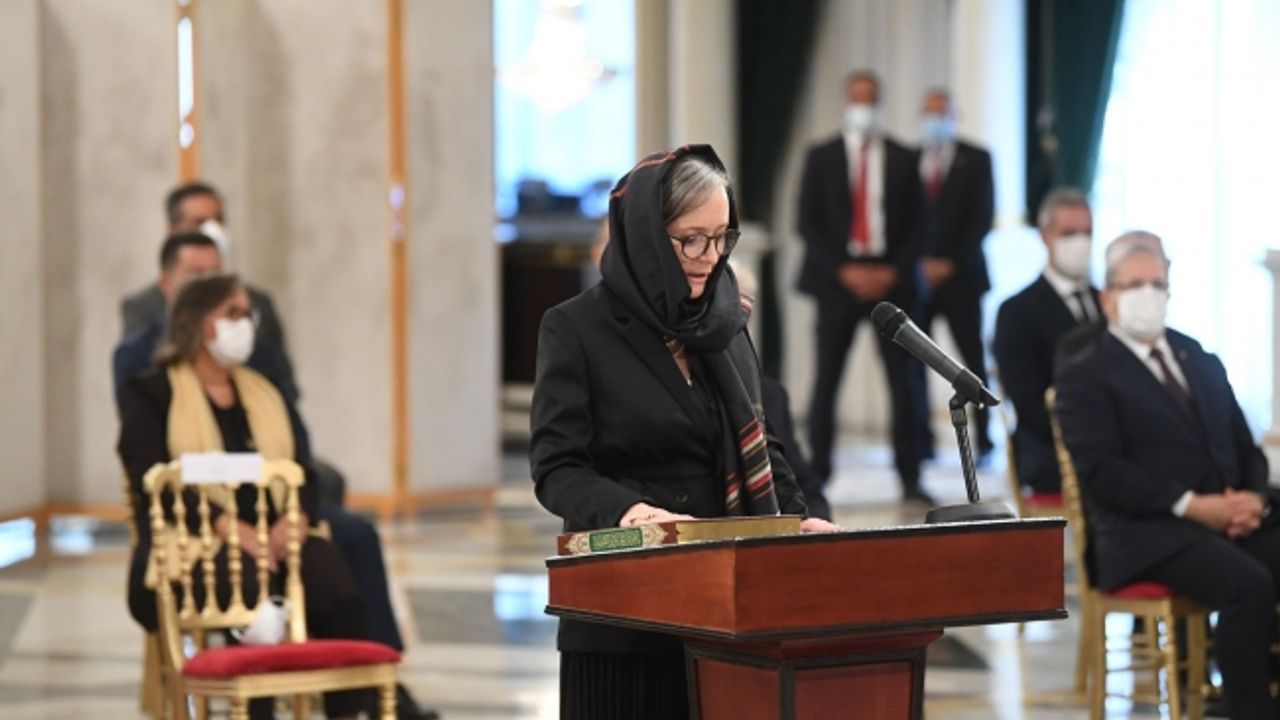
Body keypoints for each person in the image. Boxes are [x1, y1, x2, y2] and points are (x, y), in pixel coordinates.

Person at [530, 145, 837, 719]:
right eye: (690, 239)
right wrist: (633, 513)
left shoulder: (725, 322)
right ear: (647, 235)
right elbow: (558, 468)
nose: (708, 257)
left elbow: (761, 444)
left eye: (720, 238)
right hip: (624, 609)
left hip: (726, 607)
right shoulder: (575, 327)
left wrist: (796, 521)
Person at [112, 233, 438, 720]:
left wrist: (296, 520)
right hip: (193, 544)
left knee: (332, 578)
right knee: (249, 582)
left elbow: (303, 469)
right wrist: (232, 530)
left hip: (274, 536)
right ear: (199, 325)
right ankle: (258, 713)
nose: (246, 325)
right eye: (233, 314)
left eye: (247, 314)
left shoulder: (262, 390)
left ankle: (351, 709)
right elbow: (150, 480)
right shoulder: (151, 394)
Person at [1056, 237, 1280, 719]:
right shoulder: (1086, 373)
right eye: (1134, 284)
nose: (1148, 294)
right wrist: (1192, 506)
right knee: (1249, 584)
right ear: (1108, 298)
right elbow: (1104, 474)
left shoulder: (1194, 354)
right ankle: (1248, 710)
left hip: (1223, 520)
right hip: (1146, 533)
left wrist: (1252, 500)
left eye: (1158, 284)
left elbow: (1244, 445)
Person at [795, 69, 929, 503]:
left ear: (880, 102)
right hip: (837, 281)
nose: (863, 106)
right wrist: (843, 270)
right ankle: (817, 475)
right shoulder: (821, 156)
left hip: (893, 281)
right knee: (827, 381)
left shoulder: (904, 158)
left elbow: (919, 225)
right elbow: (807, 222)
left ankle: (910, 476)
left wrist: (892, 271)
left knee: (905, 384)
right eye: (857, 98)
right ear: (845, 101)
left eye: (870, 98)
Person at [121, 181, 298, 403]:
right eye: (199, 222)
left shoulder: (254, 302)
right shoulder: (144, 308)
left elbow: (284, 387)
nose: (212, 229)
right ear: (172, 229)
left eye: (218, 220)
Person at [992, 187, 1098, 494]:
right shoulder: (1017, 311)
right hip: (1051, 453)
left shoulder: (1105, 302)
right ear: (1045, 236)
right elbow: (1028, 402)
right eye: (1068, 233)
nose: (1079, 242)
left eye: (1087, 233)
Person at [914, 88, 995, 460]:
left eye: (940, 112)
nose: (934, 119)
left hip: (962, 277)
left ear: (953, 116)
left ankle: (985, 437)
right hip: (918, 278)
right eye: (928, 112)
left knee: (972, 359)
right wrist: (920, 262)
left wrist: (948, 262)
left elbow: (982, 218)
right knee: (915, 361)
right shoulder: (910, 159)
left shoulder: (976, 159)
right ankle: (921, 440)